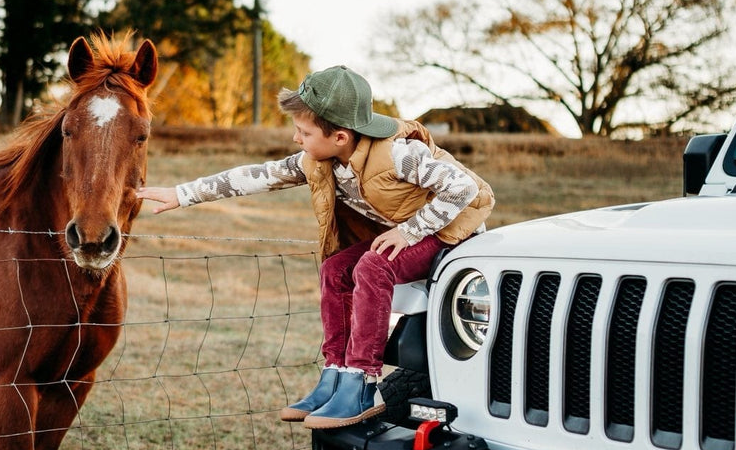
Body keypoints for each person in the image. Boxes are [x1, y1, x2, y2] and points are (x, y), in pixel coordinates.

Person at [137, 65, 494, 429]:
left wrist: (411, 231)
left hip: (451, 231)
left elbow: (463, 189)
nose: (296, 138)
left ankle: (362, 383)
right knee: (337, 269)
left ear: (340, 136)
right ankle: (335, 378)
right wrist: (181, 194)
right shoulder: (320, 159)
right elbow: (257, 176)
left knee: (374, 266)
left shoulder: (400, 154)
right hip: (410, 230)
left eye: (304, 131)